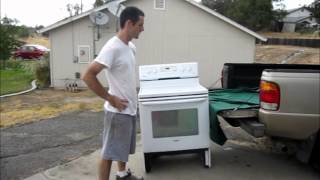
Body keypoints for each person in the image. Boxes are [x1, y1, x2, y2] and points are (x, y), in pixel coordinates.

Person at [82, 6, 144, 180]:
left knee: (122, 148)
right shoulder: (112, 47)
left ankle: (122, 174)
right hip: (117, 112)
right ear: (129, 23)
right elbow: (88, 75)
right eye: (140, 25)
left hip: (129, 108)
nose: (143, 29)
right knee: (109, 153)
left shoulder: (130, 47)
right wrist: (110, 98)